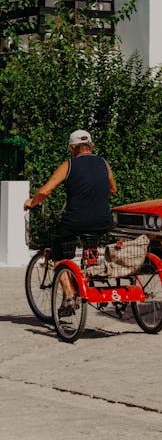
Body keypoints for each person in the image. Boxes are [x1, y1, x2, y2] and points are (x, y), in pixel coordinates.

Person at [24, 130, 117, 313]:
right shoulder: (103, 163)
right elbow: (112, 189)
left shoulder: (69, 165)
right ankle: (91, 279)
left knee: (59, 255)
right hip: (103, 221)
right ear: (91, 145)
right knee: (90, 248)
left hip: (76, 221)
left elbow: (45, 191)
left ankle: (69, 297)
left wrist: (31, 202)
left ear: (73, 148)